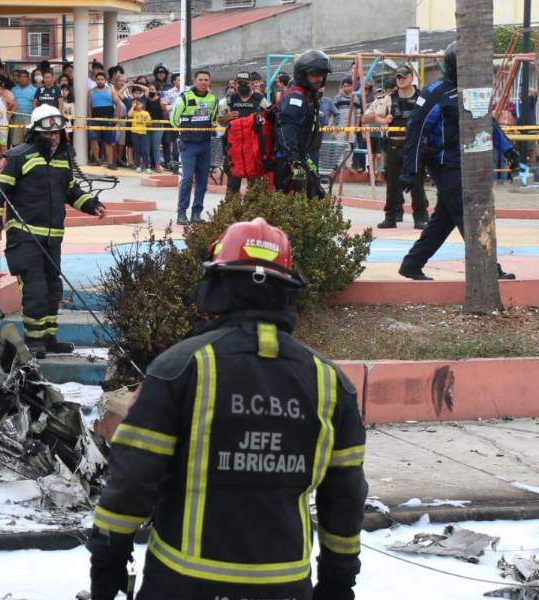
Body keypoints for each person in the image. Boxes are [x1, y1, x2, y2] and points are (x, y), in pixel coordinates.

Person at [88, 217, 367, 600]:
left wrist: (107, 560)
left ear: (217, 287)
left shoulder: (179, 368)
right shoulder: (330, 382)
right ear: (284, 291)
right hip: (284, 585)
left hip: (183, 583)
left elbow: (132, 480)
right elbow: (346, 495)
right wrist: (338, 581)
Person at [0, 104, 107, 358]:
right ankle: (34, 341)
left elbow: (71, 191)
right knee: (35, 290)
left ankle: (49, 338)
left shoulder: (63, 160)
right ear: (35, 133)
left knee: (53, 289)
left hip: (52, 238)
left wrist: (92, 205)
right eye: (48, 133)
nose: (53, 137)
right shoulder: (18, 156)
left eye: (58, 133)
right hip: (24, 236)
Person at [398, 42, 519, 281]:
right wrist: (409, 171)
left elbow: (487, 122)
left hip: (466, 161)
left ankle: (412, 264)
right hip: (444, 163)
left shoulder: (472, 90)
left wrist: (508, 150)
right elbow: (415, 130)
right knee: (468, 212)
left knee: (444, 219)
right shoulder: (434, 92)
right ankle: (489, 269)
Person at [370, 65, 428, 228]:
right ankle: (391, 216)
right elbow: (369, 117)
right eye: (398, 77)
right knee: (392, 183)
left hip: (415, 146)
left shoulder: (421, 97)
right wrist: (383, 120)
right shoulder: (388, 98)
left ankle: (421, 217)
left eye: (404, 77)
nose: (401, 80)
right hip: (394, 145)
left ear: (411, 78)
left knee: (417, 182)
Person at [274, 50, 330, 200]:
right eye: (314, 74)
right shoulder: (296, 98)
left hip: (301, 157)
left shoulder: (309, 96)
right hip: (288, 161)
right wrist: (294, 162)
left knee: (314, 195)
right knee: (296, 200)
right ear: (303, 75)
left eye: (322, 74)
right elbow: (286, 130)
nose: (319, 78)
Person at [170, 71, 219, 225]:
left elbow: (214, 121)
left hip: (205, 144)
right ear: (194, 80)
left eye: (206, 80)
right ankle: (181, 214)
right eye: (200, 79)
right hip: (188, 144)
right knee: (187, 178)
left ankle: (196, 214)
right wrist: (187, 131)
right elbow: (174, 120)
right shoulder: (184, 97)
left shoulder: (212, 99)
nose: (203, 82)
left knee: (202, 181)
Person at [217, 72, 265, 194]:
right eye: (240, 83)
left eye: (246, 83)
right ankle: (231, 212)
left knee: (255, 187)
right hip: (234, 148)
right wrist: (226, 118)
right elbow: (220, 121)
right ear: (236, 84)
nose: (243, 85)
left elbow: (270, 118)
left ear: (251, 84)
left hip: (253, 148)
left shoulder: (260, 99)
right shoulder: (227, 101)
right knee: (232, 185)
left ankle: (253, 212)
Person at [89, 72, 122, 169]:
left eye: (102, 79)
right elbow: (90, 106)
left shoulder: (111, 90)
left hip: (108, 118)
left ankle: (110, 162)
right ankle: (97, 160)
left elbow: (118, 104)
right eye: (98, 79)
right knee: (93, 140)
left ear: (105, 80)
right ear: (95, 80)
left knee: (108, 141)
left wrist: (117, 118)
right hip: (95, 119)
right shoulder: (91, 91)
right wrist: (90, 118)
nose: (100, 81)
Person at [10, 70, 38, 147]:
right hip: (16, 119)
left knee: (28, 143)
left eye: (24, 77)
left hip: (29, 119)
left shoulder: (34, 90)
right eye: (20, 77)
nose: (22, 79)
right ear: (18, 78)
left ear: (28, 78)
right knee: (16, 144)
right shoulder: (13, 90)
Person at [129, 99, 152, 173]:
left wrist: (146, 121)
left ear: (142, 104)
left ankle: (147, 166)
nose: (138, 105)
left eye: (139, 103)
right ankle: (138, 166)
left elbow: (149, 124)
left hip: (143, 133)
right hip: (134, 132)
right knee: (137, 149)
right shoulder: (133, 112)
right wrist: (132, 107)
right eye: (136, 104)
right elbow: (129, 115)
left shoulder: (146, 112)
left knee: (144, 150)